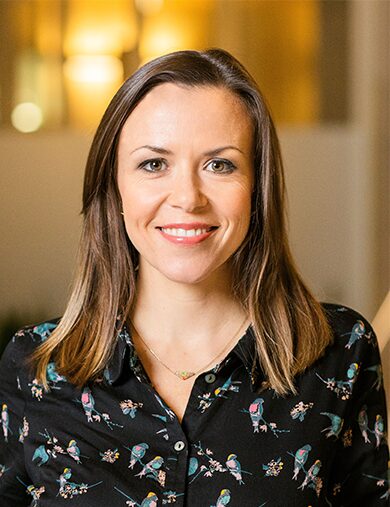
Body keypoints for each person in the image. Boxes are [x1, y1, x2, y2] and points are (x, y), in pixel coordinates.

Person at [0, 49, 388, 506]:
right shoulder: (37, 368)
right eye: (153, 164)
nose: (187, 197)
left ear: (257, 188)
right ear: (115, 185)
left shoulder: (340, 351)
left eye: (219, 164)